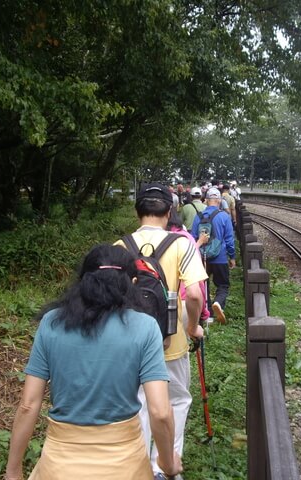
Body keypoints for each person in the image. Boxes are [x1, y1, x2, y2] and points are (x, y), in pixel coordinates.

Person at [4, 244, 182, 480]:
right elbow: (160, 412)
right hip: (126, 466)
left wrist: (13, 472)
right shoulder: (146, 328)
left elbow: (28, 405)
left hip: (59, 466)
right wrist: (167, 464)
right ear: (133, 284)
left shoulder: (51, 323)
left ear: (82, 282)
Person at [115, 182, 207, 479]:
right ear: (170, 211)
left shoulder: (119, 247)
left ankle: (140, 466)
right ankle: (165, 467)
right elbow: (194, 295)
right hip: (172, 339)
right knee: (176, 400)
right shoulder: (183, 244)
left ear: (137, 210)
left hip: (131, 339)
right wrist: (192, 327)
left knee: (139, 401)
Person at [191, 187, 236, 324]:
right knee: (223, 285)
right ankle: (218, 303)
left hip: (202, 258)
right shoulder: (224, 217)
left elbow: (193, 237)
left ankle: (208, 314)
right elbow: (229, 239)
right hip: (220, 257)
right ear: (219, 200)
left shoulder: (198, 216)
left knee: (204, 285)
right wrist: (232, 257)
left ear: (207, 200)